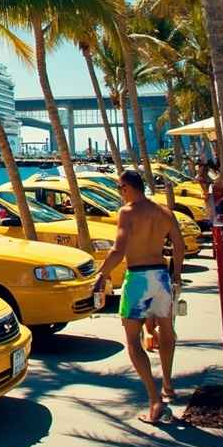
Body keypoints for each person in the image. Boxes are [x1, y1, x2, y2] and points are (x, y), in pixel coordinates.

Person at [93, 170, 185, 425]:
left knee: (133, 340)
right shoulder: (164, 212)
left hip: (138, 278)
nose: (120, 192)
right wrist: (176, 276)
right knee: (167, 332)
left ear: (128, 188)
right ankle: (167, 384)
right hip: (161, 277)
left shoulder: (128, 212)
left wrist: (101, 274)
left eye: (120, 187)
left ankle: (154, 401)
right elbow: (179, 245)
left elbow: (118, 249)